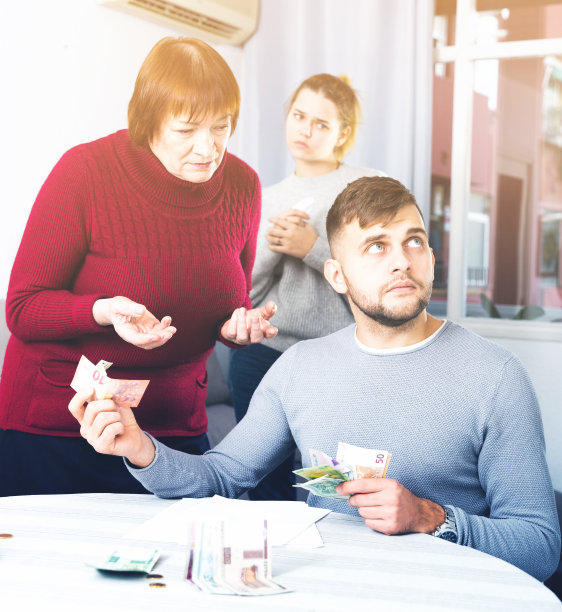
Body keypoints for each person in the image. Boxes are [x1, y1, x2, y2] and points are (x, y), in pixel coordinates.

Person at [70, 176, 560, 582]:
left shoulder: (495, 377)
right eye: (375, 246)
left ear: (431, 258)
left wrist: (431, 518)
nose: (401, 260)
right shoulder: (301, 367)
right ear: (336, 274)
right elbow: (220, 477)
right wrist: (139, 448)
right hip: (325, 594)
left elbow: (540, 546)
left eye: (414, 241)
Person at [0, 37, 278, 497]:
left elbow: (230, 302)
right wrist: (104, 310)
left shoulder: (242, 185)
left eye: (220, 128)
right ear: (148, 122)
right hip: (63, 422)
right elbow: (23, 308)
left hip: (172, 428)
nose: (207, 148)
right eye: (186, 130)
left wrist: (237, 327)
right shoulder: (85, 172)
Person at [229, 73, 386, 500]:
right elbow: (247, 292)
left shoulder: (366, 188)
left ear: (343, 133)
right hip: (266, 358)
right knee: (264, 487)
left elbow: (381, 278)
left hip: (343, 360)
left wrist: (312, 248)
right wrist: (275, 248)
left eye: (321, 123)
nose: (306, 130)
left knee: (342, 492)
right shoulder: (265, 196)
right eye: (299, 116)